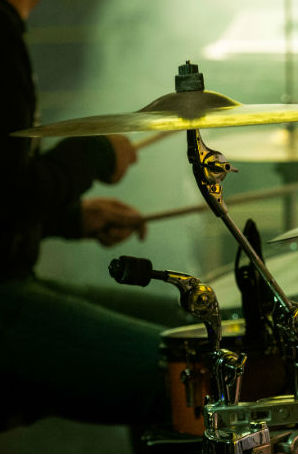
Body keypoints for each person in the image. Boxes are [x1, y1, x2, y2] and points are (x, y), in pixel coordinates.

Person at [0, 0, 192, 431]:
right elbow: (8, 194)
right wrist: (95, 152)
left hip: (13, 278)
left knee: (190, 324)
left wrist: (70, 219)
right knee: (191, 377)